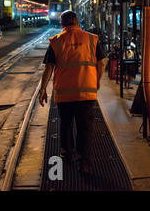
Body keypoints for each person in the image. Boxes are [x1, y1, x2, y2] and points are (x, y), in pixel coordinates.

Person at [39, 10, 106, 175]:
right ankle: (85, 163)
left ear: (62, 24)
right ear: (78, 22)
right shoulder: (91, 39)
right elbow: (102, 62)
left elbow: (49, 67)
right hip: (86, 93)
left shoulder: (56, 41)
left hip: (64, 94)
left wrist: (43, 89)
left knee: (66, 124)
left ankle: (68, 154)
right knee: (85, 128)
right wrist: (96, 80)